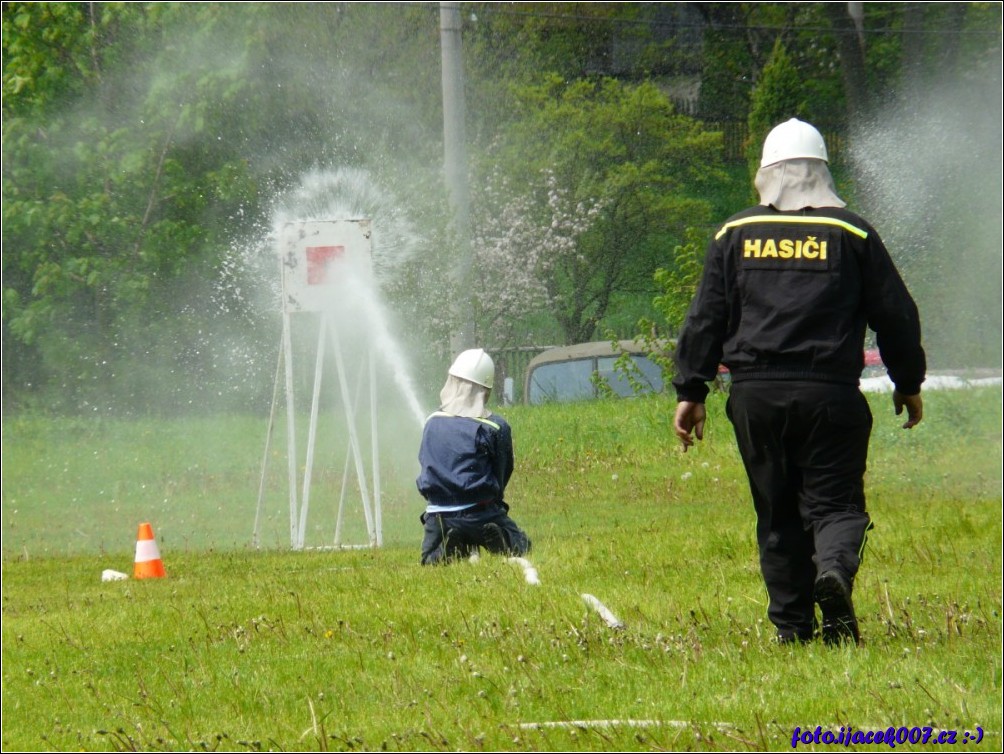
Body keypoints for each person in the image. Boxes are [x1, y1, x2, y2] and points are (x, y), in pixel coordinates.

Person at [671, 118, 926, 646]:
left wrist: (690, 391)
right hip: (830, 395)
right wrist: (908, 381)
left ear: (768, 174)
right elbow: (897, 315)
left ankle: (792, 629)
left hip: (754, 397)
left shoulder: (734, 233)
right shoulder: (853, 233)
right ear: (821, 174)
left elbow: (705, 319)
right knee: (835, 506)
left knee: (777, 512)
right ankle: (832, 571)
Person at [417, 348, 532, 565]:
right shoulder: (495, 426)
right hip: (481, 514)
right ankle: (502, 540)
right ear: (486, 390)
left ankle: (450, 548)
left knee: (429, 559)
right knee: (522, 544)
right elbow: (502, 473)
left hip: (438, 515)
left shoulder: (431, 421)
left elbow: (426, 464)